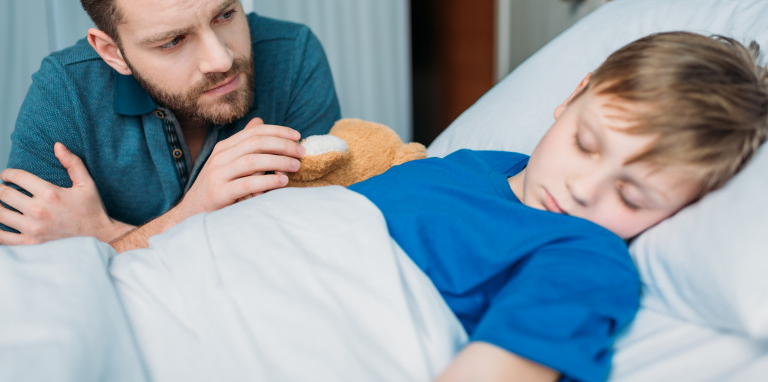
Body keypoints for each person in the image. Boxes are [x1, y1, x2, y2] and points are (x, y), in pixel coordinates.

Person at [106, 31, 768, 380]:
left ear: (679, 210)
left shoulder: (585, 257)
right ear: (571, 98)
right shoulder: (479, 165)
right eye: (586, 143)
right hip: (201, 272)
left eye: (633, 195)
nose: (585, 189)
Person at [0, 0, 341, 245]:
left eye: (224, 15)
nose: (220, 60)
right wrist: (194, 213)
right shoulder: (64, 92)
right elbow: (29, 276)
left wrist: (106, 238)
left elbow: (310, 248)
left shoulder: (294, 54)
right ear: (112, 52)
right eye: (173, 41)